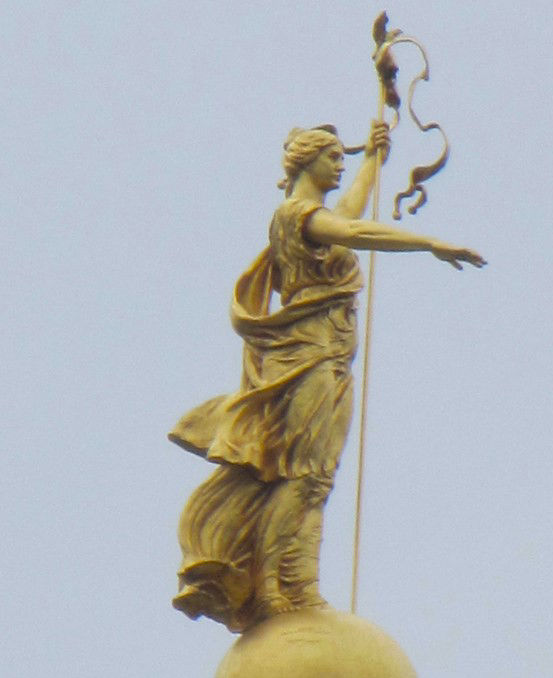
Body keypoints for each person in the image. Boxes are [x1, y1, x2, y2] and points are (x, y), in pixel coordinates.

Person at [168, 122, 485, 633]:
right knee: (303, 474)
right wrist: (429, 241)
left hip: (329, 356)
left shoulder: (313, 217)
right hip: (311, 359)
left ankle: (297, 584)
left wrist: (374, 160)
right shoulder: (294, 216)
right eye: (334, 156)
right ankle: (279, 587)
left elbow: (347, 215)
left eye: (344, 156)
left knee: (315, 477)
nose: (341, 163)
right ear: (306, 160)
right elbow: (355, 232)